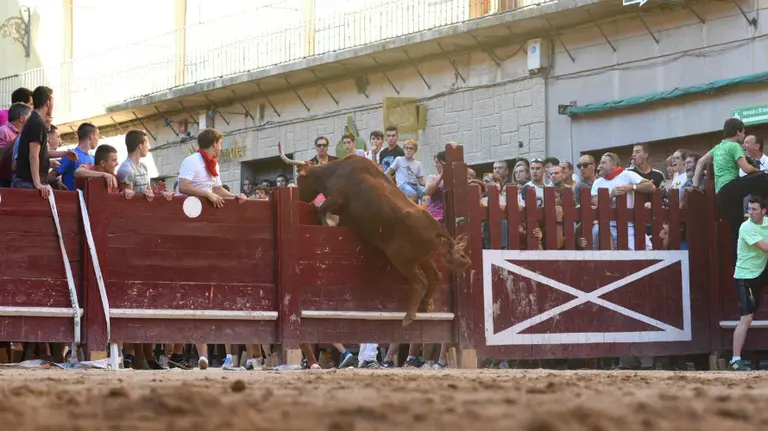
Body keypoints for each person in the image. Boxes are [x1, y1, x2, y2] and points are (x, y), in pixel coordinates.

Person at [177, 128, 247, 369]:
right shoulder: (192, 161)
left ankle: (208, 353)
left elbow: (217, 190)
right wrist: (206, 194)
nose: (221, 147)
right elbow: (183, 186)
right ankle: (203, 353)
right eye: (221, 143)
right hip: (190, 226)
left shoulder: (210, 164)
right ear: (215, 143)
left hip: (208, 229)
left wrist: (234, 196)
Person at [693, 118, 768, 260]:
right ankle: (759, 205)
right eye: (743, 132)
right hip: (732, 187)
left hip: (721, 194)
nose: (744, 136)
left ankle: (737, 261)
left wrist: (695, 184)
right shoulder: (734, 146)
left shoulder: (718, 148)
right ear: (738, 132)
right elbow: (746, 169)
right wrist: (757, 170)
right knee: (763, 176)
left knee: (737, 229)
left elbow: (701, 162)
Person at [728, 196, 768, 371]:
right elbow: (765, 248)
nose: (750, 212)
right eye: (749, 209)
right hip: (746, 276)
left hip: (760, 272)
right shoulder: (746, 226)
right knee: (747, 317)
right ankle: (735, 360)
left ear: (763, 211)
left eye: (754, 209)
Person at [12, 86, 54, 197]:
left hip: (27, 182)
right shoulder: (37, 123)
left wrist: (64, 153)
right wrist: (38, 183)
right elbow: (33, 155)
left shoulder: (35, 120)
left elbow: (39, 153)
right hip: (28, 183)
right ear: (48, 102)